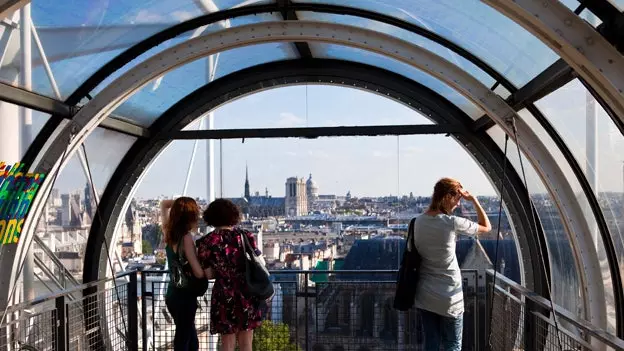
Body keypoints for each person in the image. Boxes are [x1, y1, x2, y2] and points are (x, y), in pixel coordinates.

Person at [413, 178, 492, 351]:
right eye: (457, 198)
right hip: (450, 296)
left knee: (431, 344)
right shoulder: (452, 222)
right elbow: (486, 227)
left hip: (425, 293)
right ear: (448, 196)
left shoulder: (417, 222)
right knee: (453, 345)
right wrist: (474, 200)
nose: (457, 203)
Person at [196, 199, 263, 351]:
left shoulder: (205, 242)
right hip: (247, 292)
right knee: (246, 344)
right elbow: (259, 262)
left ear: (211, 217)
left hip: (223, 294)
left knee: (227, 344)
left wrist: (222, 270)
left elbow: (208, 275)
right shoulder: (245, 236)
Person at [161, 197, 205, 351]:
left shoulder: (168, 233)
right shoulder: (186, 238)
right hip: (185, 297)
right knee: (184, 340)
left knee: (189, 338)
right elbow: (198, 272)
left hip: (172, 294)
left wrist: (180, 204)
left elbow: (164, 204)